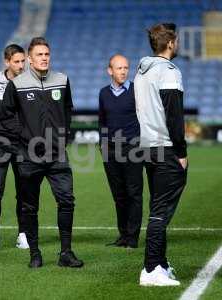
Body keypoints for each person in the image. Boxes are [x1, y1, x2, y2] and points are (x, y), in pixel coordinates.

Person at [0, 37, 83, 268]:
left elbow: (67, 110)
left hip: (57, 155)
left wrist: (63, 136)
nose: (44, 58)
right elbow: (6, 116)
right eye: (39, 54)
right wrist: (23, 138)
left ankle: (66, 253)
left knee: (67, 201)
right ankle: (34, 254)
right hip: (28, 156)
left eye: (47, 54)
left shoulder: (62, 80)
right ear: (29, 58)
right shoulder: (16, 84)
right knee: (29, 206)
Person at [134, 23, 188, 286]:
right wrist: (182, 151)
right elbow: (174, 115)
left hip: (147, 148)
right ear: (169, 43)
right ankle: (151, 268)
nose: (176, 45)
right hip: (166, 148)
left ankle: (161, 264)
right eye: (175, 41)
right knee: (160, 211)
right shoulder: (169, 72)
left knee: (157, 205)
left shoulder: (142, 71)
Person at [0, 44, 29, 250]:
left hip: (24, 145)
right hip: (0, 144)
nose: (20, 65)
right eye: (16, 61)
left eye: (22, 61)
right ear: (7, 62)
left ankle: (23, 234)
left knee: (24, 191)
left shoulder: (29, 83)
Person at [98, 54, 143, 249]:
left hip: (133, 149)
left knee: (134, 193)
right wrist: (102, 142)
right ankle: (123, 235)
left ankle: (132, 238)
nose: (123, 71)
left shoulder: (137, 90)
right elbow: (102, 121)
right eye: (119, 68)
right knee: (119, 195)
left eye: (126, 68)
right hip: (110, 151)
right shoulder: (103, 93)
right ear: (110, 71)